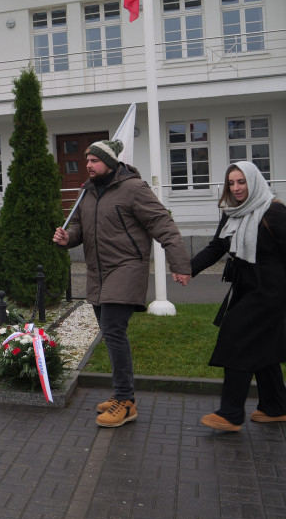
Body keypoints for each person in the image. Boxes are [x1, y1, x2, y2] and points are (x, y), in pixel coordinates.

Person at [53, 139, 191, 427]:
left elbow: (163, 224)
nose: (88, 165)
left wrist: (179, 264)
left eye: (94, 160)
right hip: (98, 273)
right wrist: (69, 239)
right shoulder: (87, 192)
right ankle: (120, 395)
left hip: (127, 269)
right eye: (87, 160)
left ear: (110, 162)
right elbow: (79, 227)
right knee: (109, 331)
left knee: (114, 331)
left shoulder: (134, 189)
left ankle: (126, 402)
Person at [188, 161, 286, 432]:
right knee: (263, 346)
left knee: (236, 337)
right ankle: (276, 407)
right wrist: (188, 269)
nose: (236, 188)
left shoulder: (274, 211)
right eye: (231, 183)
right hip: (245, 285)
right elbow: (217, 246)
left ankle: (230, 414)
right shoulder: (232, 212)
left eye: (241, 182)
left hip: (271, 289)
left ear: (253, 181)